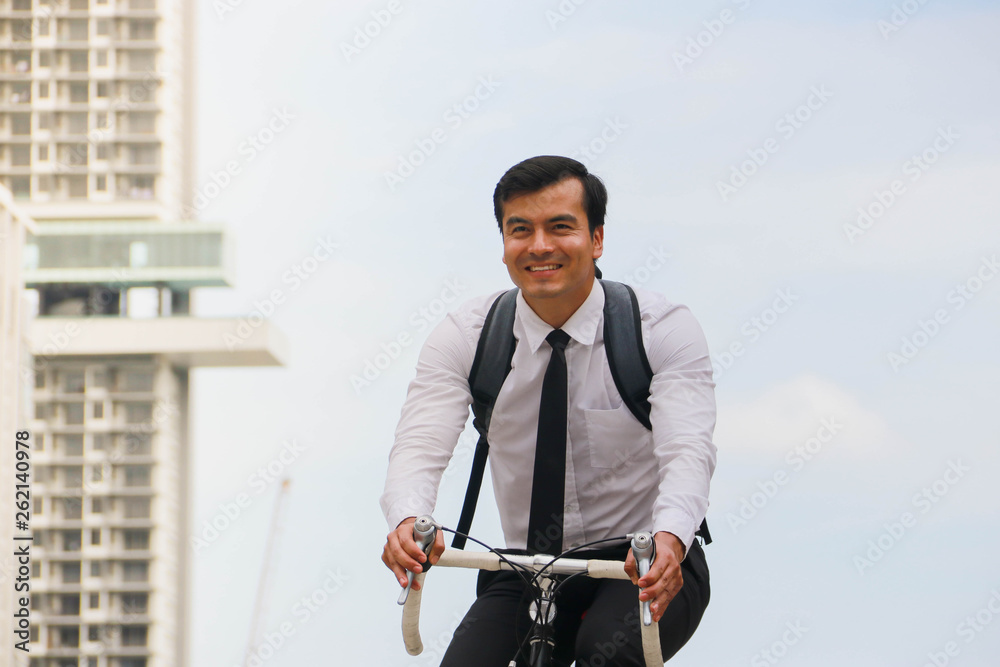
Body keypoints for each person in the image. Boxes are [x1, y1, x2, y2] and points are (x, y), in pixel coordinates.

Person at [381, 155, 716, 666]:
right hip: (526, 566)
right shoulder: (466, 337)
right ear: (504, 245)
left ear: (597, 239)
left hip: (644, 561)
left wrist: (670, 537)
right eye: (521, 230)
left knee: (607, 653)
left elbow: (688, 450)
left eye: (560, 227)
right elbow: (419, 446)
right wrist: (407, 519)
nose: (539, 246)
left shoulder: (660, 328)